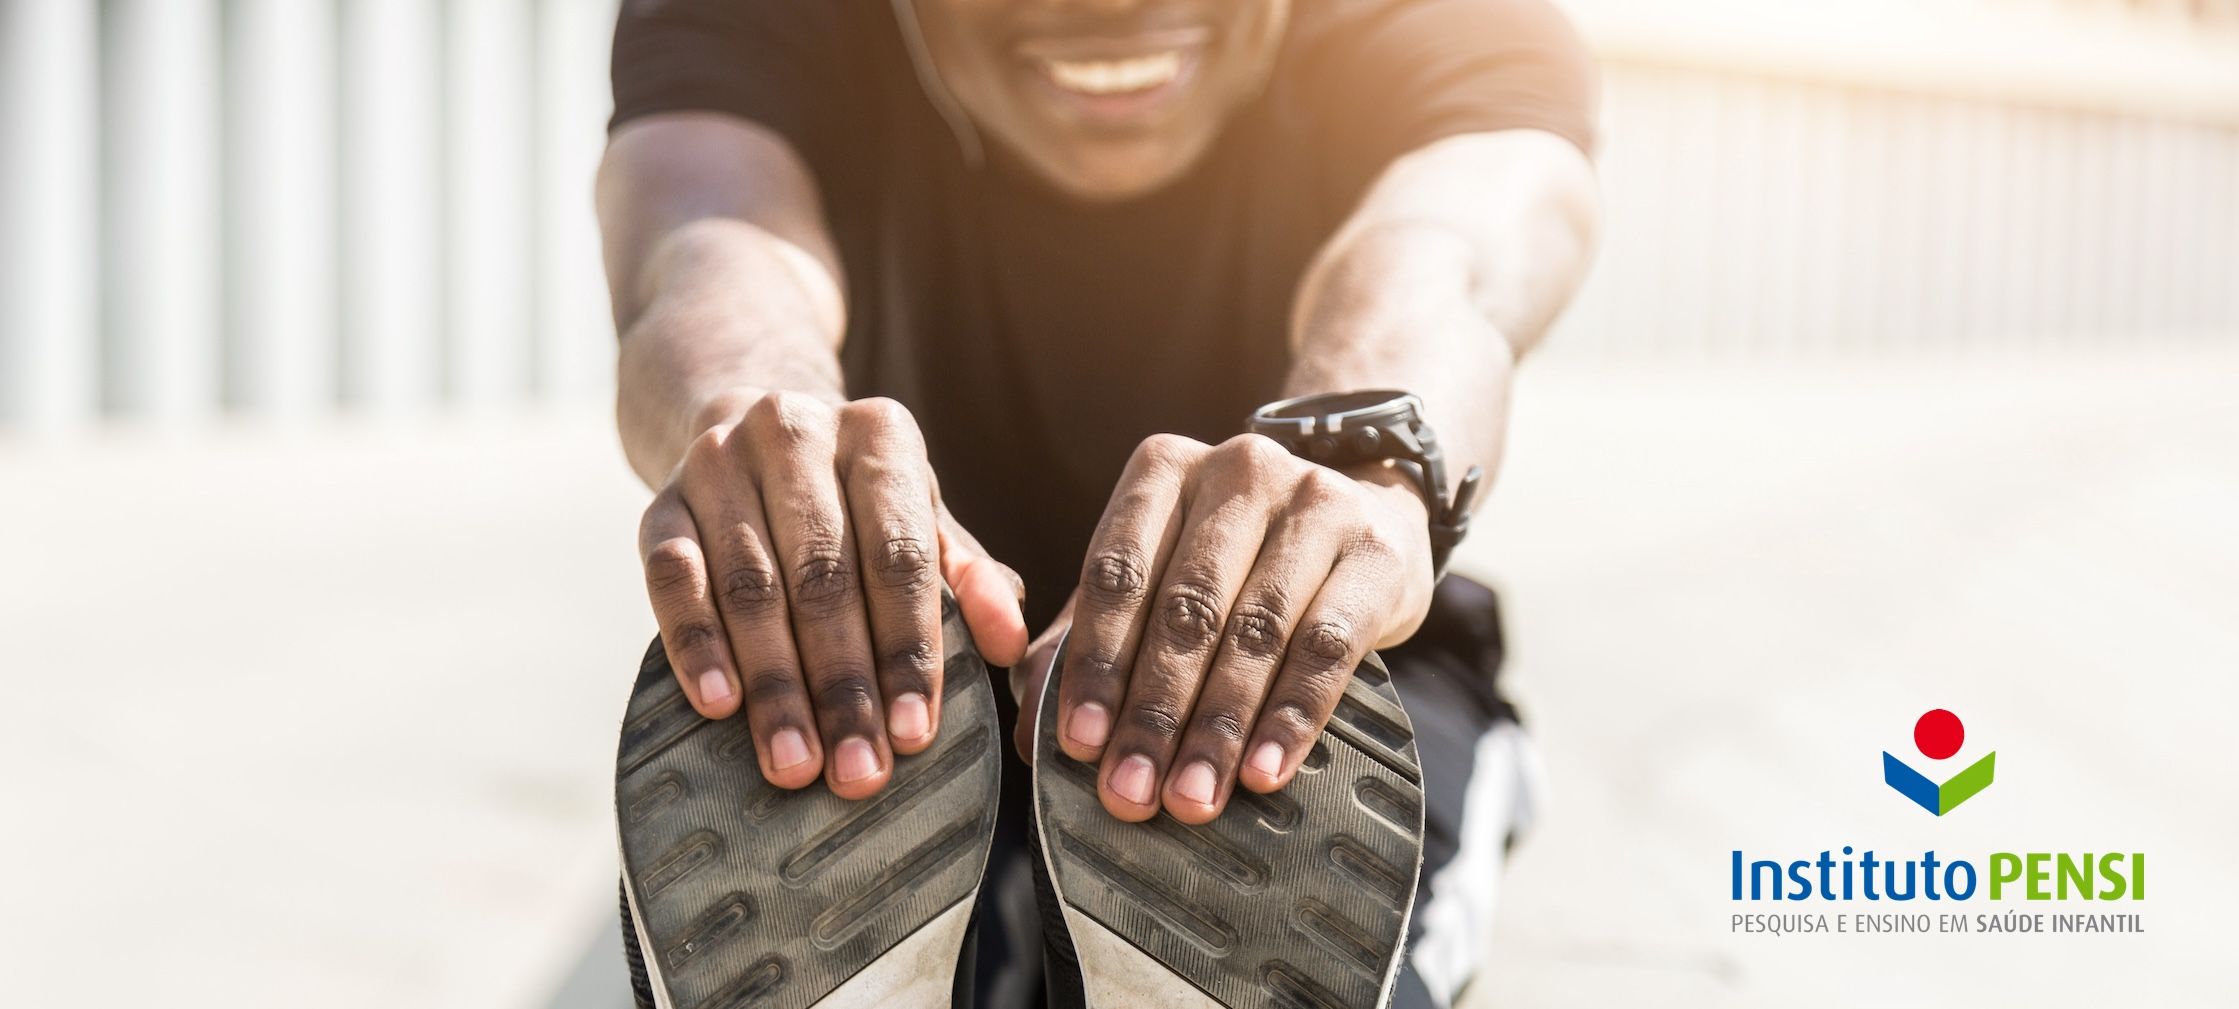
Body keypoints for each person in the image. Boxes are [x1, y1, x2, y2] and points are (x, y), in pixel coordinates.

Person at [600, 1, 1598, 1006]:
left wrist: (1349, 451)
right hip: (902, 650)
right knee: (810, 703)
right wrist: (766, 426)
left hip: (1306, 662)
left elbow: (1450, 241)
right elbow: (706, 236)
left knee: (1300, 753)